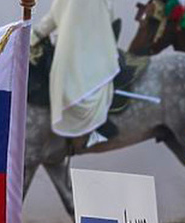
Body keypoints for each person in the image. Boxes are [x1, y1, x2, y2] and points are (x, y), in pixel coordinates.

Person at [32, 0, 119, 145]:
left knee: (60, 78)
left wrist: (33, 37)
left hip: (70, 53)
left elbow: (52, 18)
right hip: (98, 52)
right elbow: (110, 15)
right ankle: (98, 125)